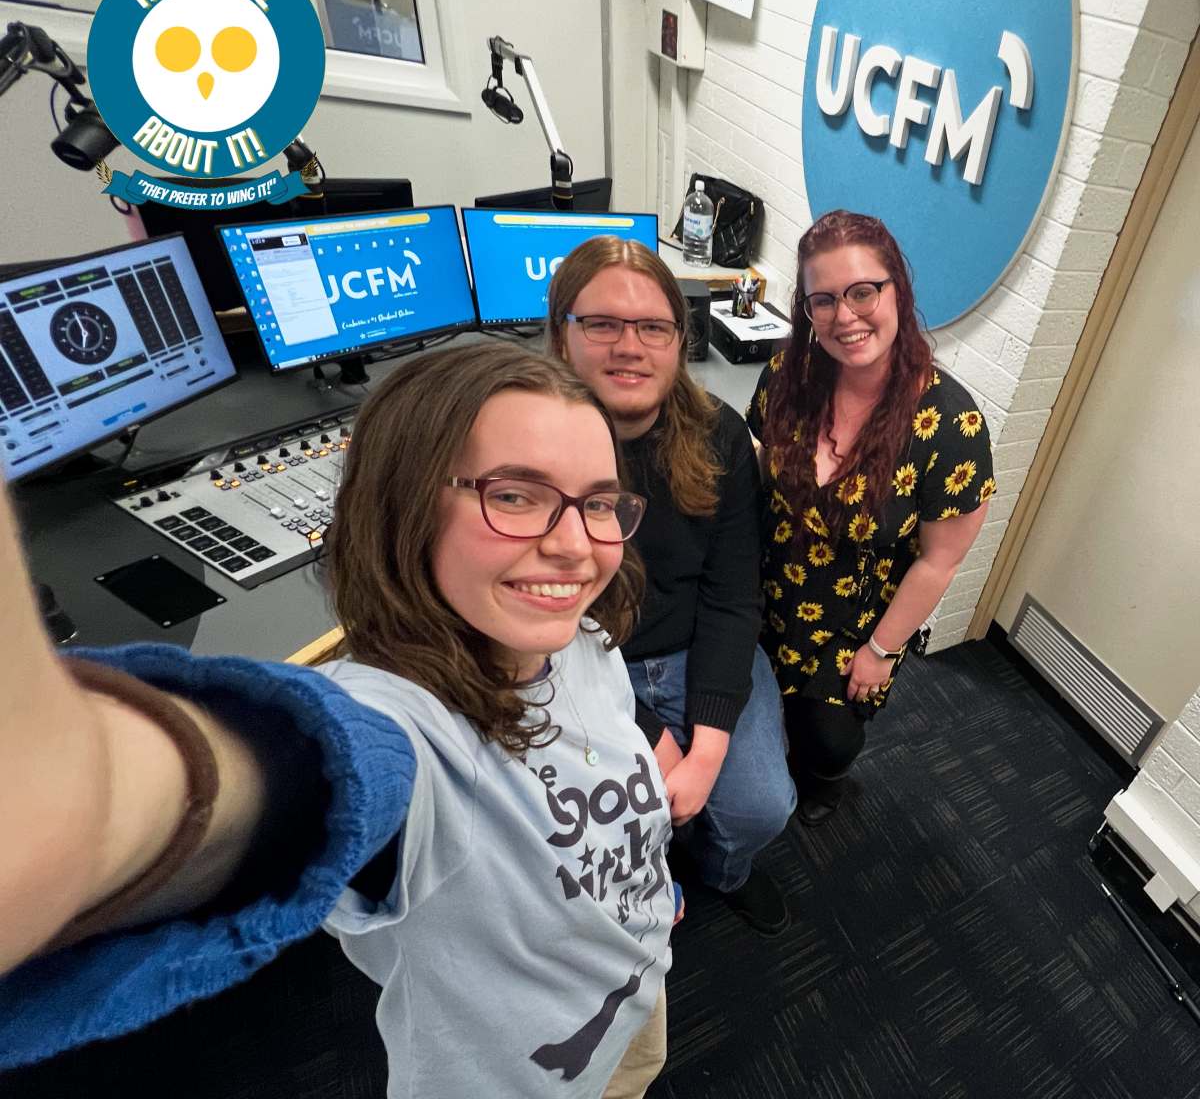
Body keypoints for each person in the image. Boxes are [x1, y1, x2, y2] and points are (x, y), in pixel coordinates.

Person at [0, 344, 679, 1099]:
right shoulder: (407, 732)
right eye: (516, 495)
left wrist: (648, 901)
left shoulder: (579, 640)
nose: (576, 545)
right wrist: (84, 803)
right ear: (405, 503)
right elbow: (316, 772)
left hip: (636, 989)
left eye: (597, 502)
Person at [547, 237, 796, 937]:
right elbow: (547, 625)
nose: (630, 345)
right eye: (602, 324)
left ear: (679, 341)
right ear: (563, 336)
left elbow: (730, 596)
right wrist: (651, 736)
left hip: (698, 648)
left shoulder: (717, 434)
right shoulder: (535, 447)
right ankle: (647, 876)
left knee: (758, 808)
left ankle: (725, 873)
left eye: (652, 327)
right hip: (585, 667)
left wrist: (708, 747)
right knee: (617, 820)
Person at [747, 210, 996, 826]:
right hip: (763, 583)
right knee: (745, 703)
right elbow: (754, 464)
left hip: (856, 619)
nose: (845, 315)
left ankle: (822, 784)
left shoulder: (951, 425)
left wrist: (882, 650)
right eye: (823, 299)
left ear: (897, 291)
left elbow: (942, 559)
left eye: (863, 291)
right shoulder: (787, 373)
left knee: (827, 740)